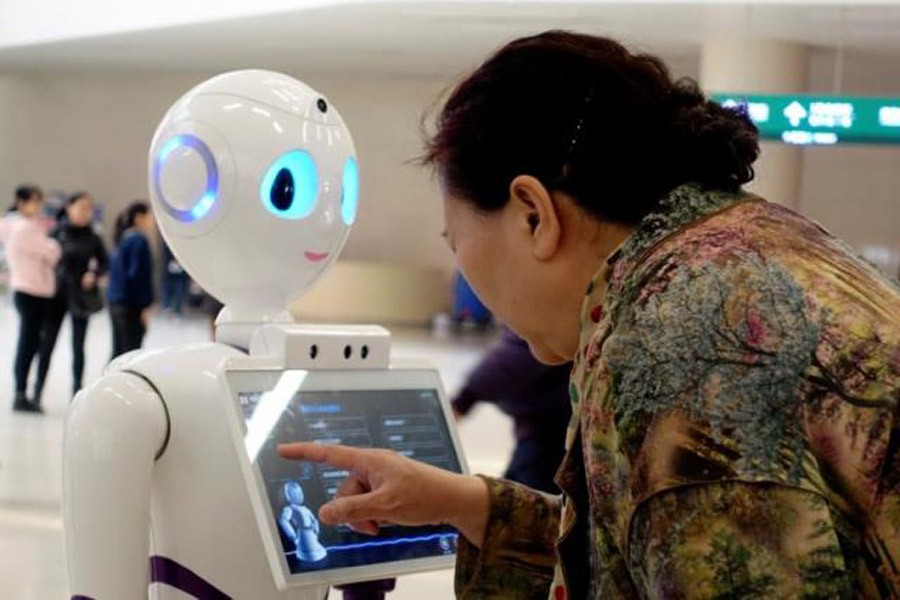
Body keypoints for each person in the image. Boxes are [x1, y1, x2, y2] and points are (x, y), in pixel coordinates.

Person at [278, 31, 900, 598]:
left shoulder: (674, 344)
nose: (463, 268)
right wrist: (463, 503)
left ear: (532, 214)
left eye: (455, 240)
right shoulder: (756, 243)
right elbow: (663, 550)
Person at [452, 326, 571, 493]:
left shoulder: (538, 324)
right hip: (546, 432)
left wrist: (462, 401)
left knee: (529, 499)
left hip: (548, 437)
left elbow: (516, 353)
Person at [34, 192, 108, 401]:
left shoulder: (92, 237)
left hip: (80, 297)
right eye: (81, 207)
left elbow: (104, 262)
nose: (86, 212)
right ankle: (37, 390)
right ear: (69, 207)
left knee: (79, 346)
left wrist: (93, 274)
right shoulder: (56, 232)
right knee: (47, 344)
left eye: (89, 208)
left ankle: (77, 391)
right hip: (54, 296)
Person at [5, 185, 61, 412]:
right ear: (22, 202)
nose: (38, 206)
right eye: (34, 201)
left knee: (31, 342)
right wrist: (53, 246)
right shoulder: (24, 229)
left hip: (33, 291)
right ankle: (20, 394)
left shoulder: (23, 226)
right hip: (30, 291)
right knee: (27, 344)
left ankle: (22, 393)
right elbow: (52, 252)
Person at [107, 201, 154, 359]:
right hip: (131, 306)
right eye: (149, 217)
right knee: (130, 355)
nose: (152, 221)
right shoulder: (139, 241)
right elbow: (137, 277)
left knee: (117, 352)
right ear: (139, 217)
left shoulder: (123, 239)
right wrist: (144, 306)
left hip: (115, 302)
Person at [160, 238, 189, 317]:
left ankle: (174, 309)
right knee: (171, 288)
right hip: (171, 266)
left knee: (178, 288)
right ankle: (170, 307)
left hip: (178, 266)